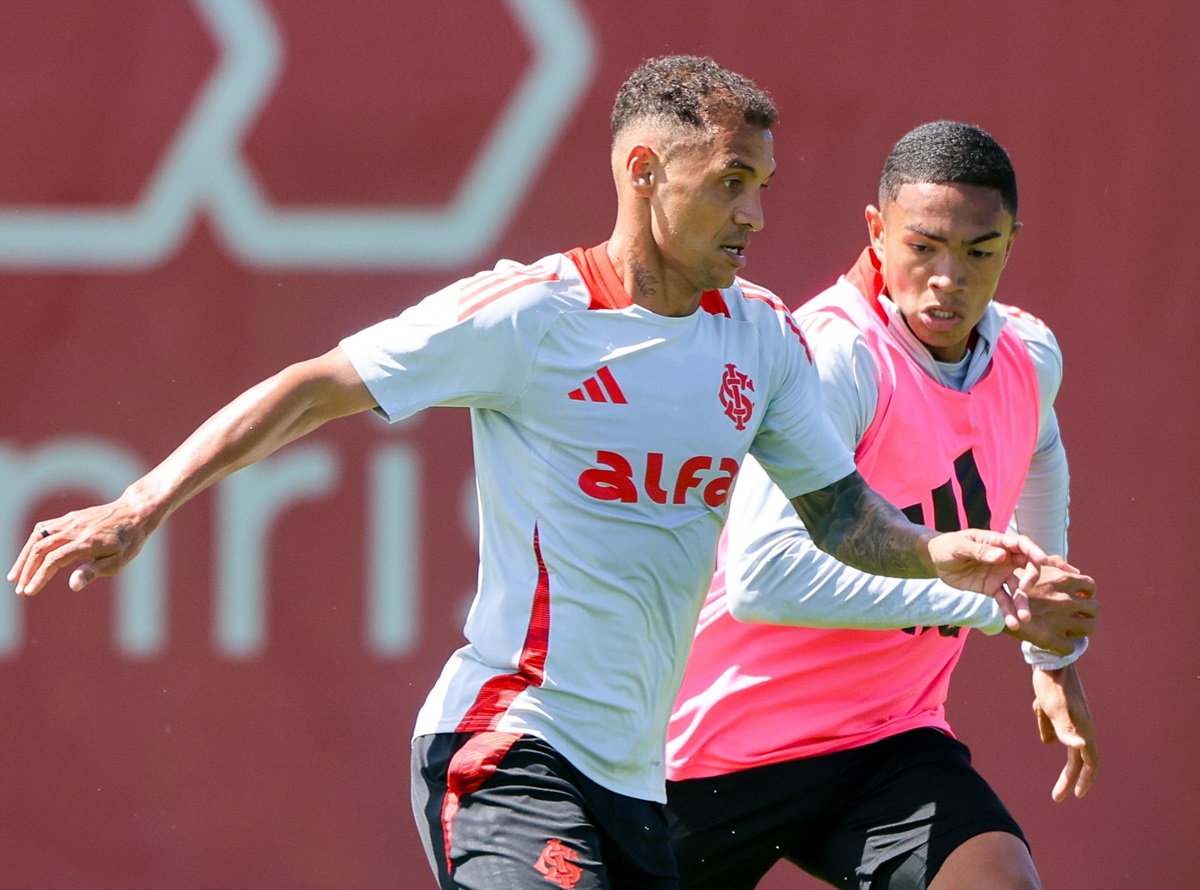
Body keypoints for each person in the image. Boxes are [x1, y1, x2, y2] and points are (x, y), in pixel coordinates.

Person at [9, 63, 1049, 890]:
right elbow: (313, 385)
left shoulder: (763, 341)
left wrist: (944, 552)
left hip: (640, 789)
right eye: (729, 183)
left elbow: (839, 517)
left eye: (761, 187)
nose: (755, 215)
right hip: (509, 747)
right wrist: (139, 501)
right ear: (644, 172)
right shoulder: (532, 313)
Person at [664, 121, 1098, 890]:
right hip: (713, 754)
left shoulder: (1029, 354)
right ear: (876, 229)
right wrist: (995, 607)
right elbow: (767, 580)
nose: (947, 278)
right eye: (922, 245)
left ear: (1010, 243)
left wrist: (1051, 656)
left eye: (978, 251)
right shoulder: (836, 356)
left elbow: (1040, 452)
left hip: (886, 741)